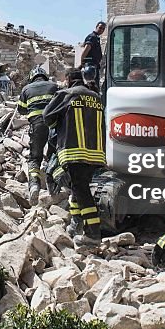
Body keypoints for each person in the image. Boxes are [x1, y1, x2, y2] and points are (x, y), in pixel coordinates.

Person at [43, 68, 106, 247]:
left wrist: (60, 122)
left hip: (74, 151)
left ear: (69, 79)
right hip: (96, 153)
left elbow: (47, 117)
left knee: (82, 191)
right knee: (79, 189)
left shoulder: (66, 94)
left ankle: (93, 234)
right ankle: (75, 225)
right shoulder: (96, 97)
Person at [17, 66, 58, 205]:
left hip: (37, 125)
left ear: (32, 78)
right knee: (54, 155)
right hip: (54, 125)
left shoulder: (26, 89)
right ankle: (53, 184)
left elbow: (21, 109)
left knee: (35, 158)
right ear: (45, 76)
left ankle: (34, 185)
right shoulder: (54, 86)